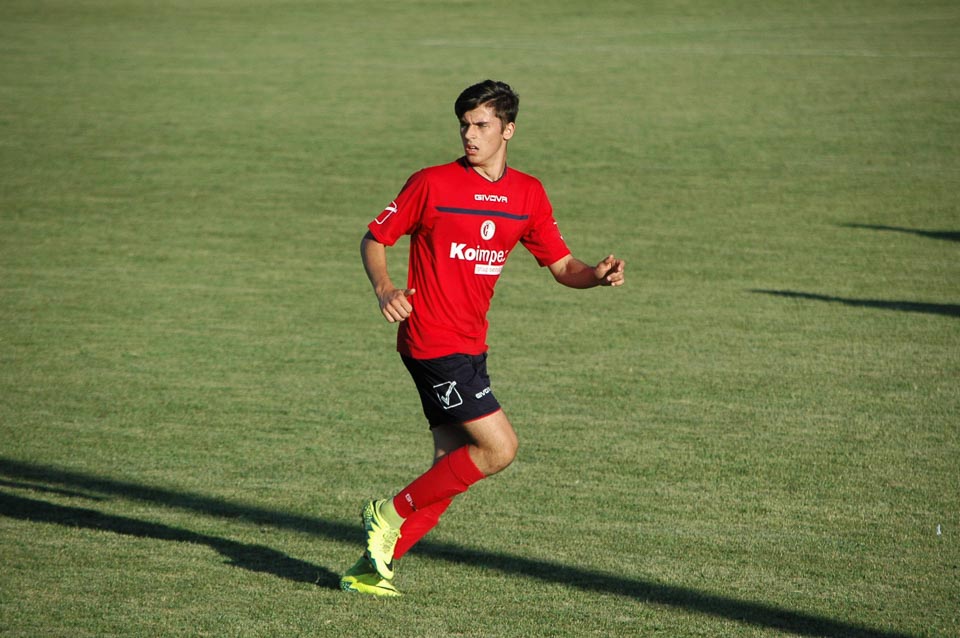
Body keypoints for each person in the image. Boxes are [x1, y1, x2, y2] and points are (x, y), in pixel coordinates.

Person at [340, 80, 625, 597]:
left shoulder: (528, 194)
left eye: (481, 125)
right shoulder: (431, 183)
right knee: (499, 448)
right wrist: (384, 288)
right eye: (464, 125)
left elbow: (563, 265)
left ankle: (371, 570)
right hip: (431, 341)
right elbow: (375, 238)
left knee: (450, 470)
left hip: (472, 345)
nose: (470, 135)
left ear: (507, 130)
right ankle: (388, 513)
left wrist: (596, 276)